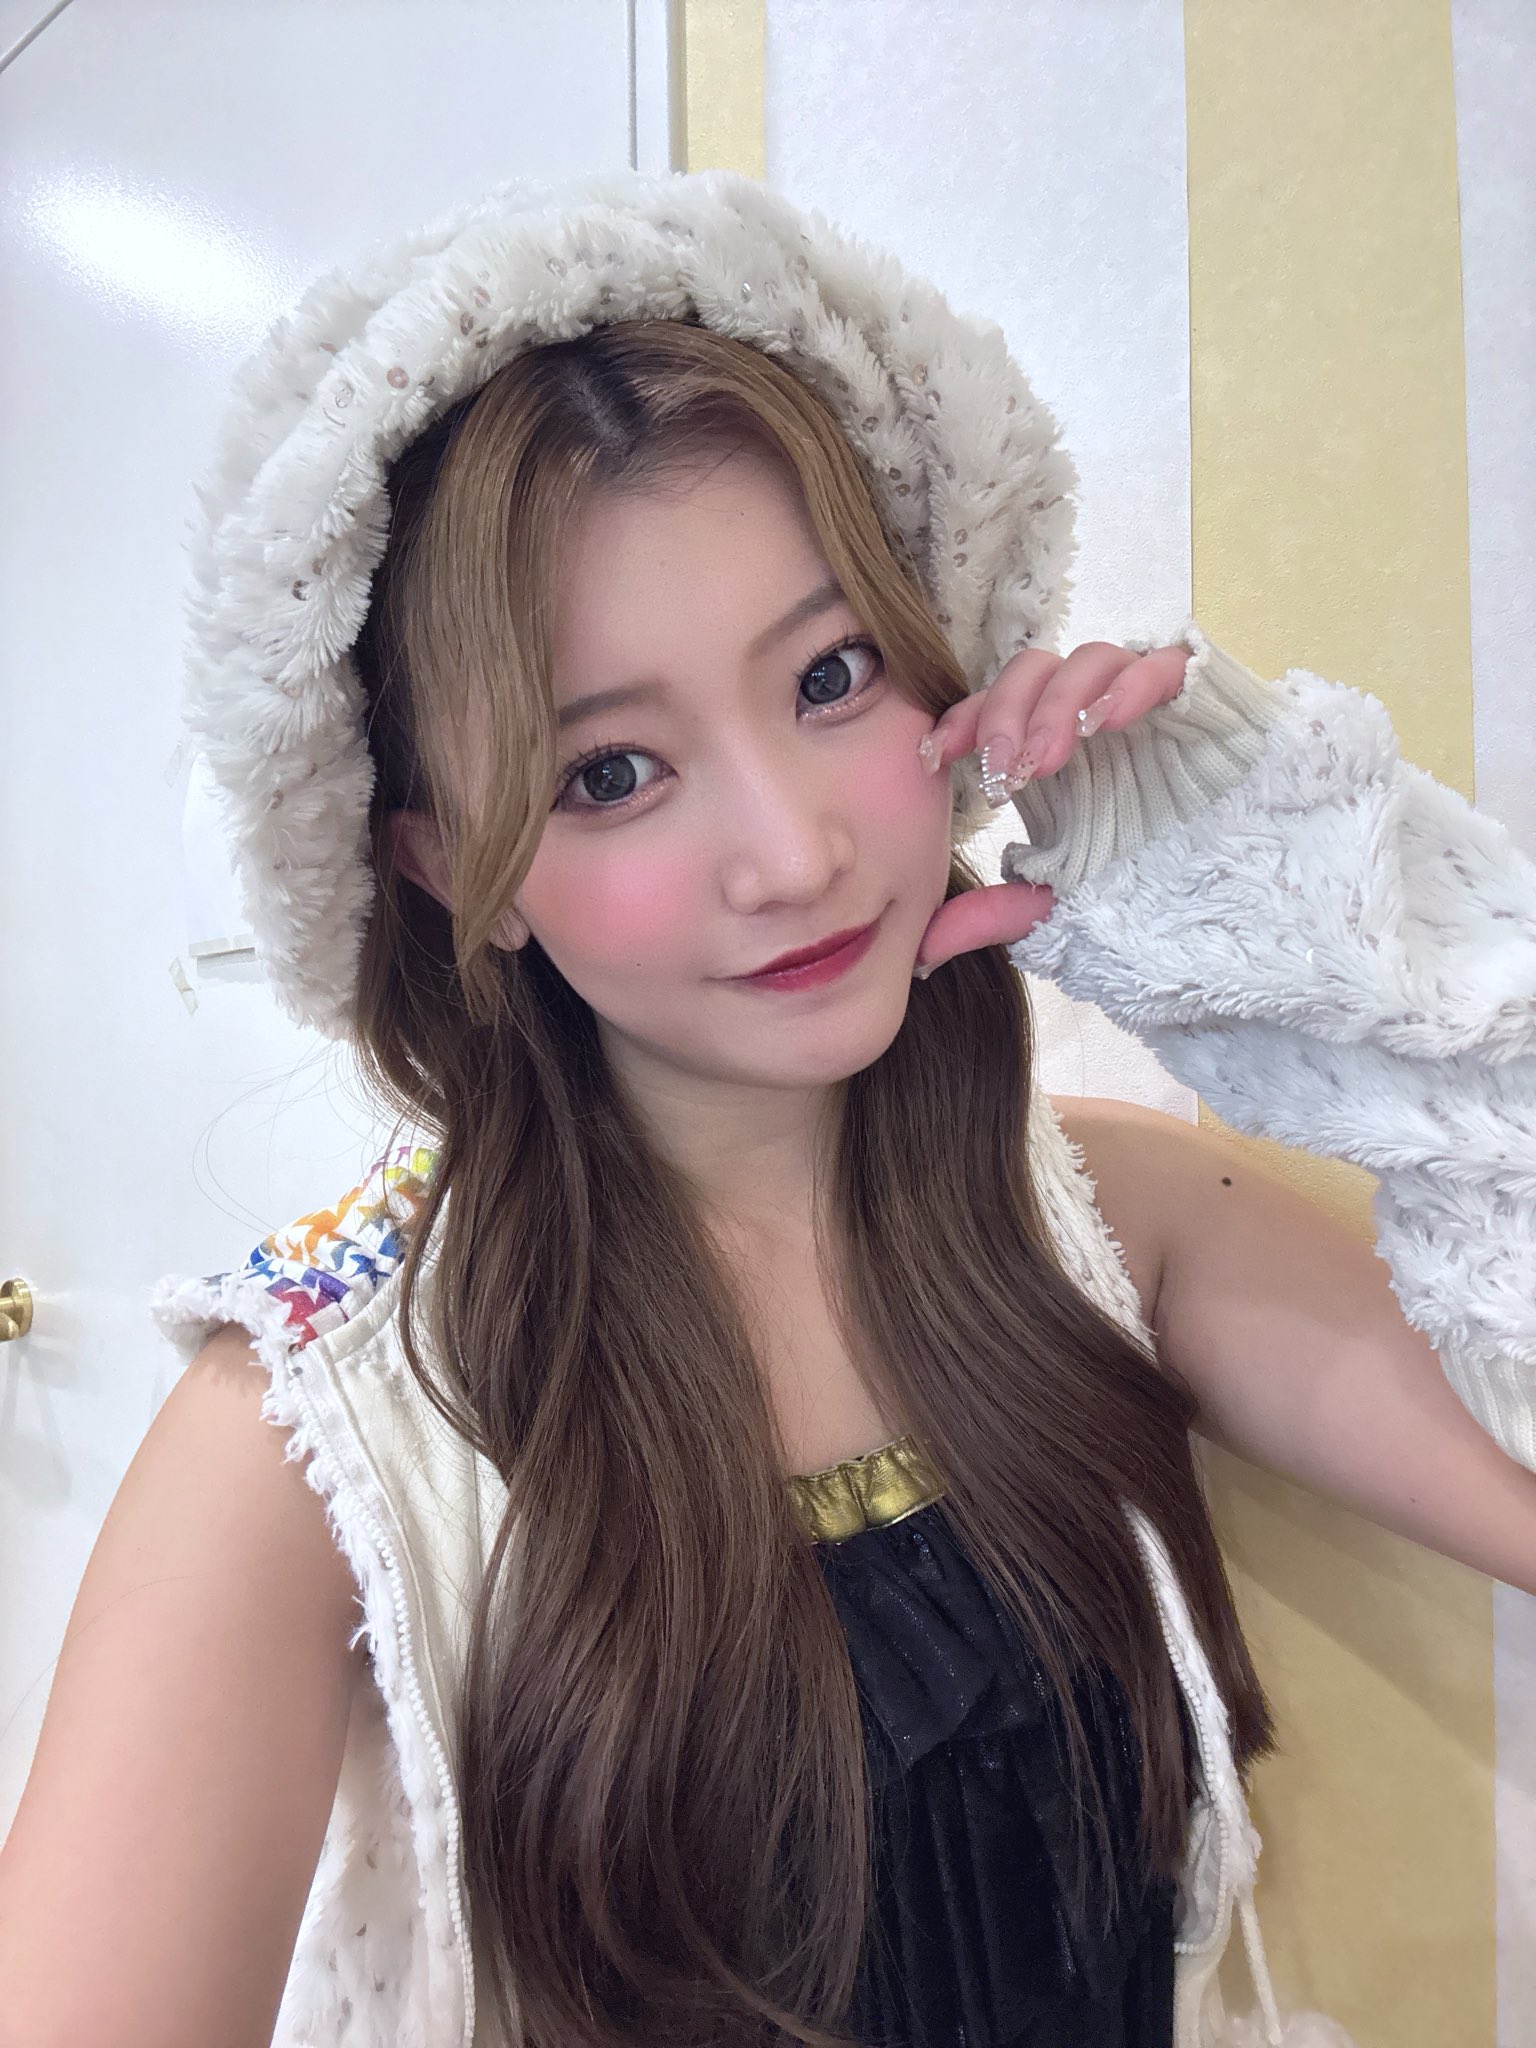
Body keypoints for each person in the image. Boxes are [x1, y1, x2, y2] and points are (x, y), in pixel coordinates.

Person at [1, 168, 1531, 2048]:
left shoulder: (1099, 1225)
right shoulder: (299, 1441)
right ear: (450, 870)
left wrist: (1369, 967)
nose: (793, 855)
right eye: (612, 772)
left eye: (829, 675)